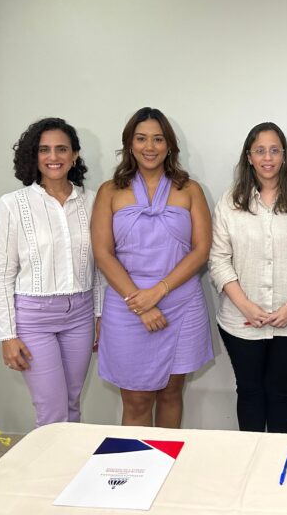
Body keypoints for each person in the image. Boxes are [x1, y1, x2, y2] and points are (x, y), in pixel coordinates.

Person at [91, 107, 214, 428]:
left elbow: (202, 249)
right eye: (141, 138)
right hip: (127, 305)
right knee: (136, 398)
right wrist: (140, 303)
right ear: (129, 144)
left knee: (173, 392)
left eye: (158, 139)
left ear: (169, 145)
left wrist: (159, 292)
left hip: (181, 303)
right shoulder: (109, 191)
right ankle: (136, 473)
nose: (150, 147)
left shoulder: (190, 189)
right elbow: (103, 253)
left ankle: (167, 470)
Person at [0, 117, 102, 427]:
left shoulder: (93, 201)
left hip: (80, 313)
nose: (54, 157)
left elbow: (102, 264)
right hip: (33, 318)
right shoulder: (13, 204)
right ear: (33, 156)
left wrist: (100, 315)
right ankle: (51, 475)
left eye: (62, 149)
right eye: (44, 150)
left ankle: (71, 472)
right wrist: (7, 335)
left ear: (75, 155)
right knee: (52, 411)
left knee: (72, 403)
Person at [209, 122, 287, 433]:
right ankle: (251, 465)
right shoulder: (229, 202)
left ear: (284, 156)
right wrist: (247, 307)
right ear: (249, 157)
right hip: (241, 322)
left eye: (274, 150)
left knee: (282, 395)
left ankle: (279, 466)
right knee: (250, 393)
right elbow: (218, 259)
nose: (268, 157)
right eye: (260, 150)